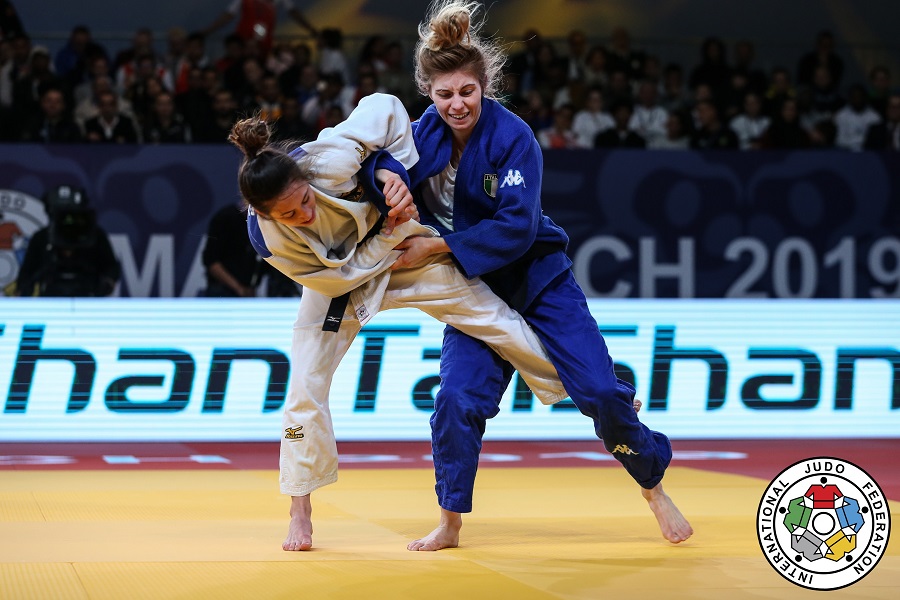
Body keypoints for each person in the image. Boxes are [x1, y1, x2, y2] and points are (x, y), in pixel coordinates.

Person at [389, 0, 692, 551]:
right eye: (444, 94)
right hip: (474, 292)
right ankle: (450, 522)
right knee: (455, 400)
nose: (457, 105)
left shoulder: (513, 137)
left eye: (467, 92)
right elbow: (374, 161)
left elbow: (516, 228)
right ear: (428, 93)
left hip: (538, 280)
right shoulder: (421, 135)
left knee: (598, 391)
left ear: (484, 86)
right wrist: (385, 178)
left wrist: (435, 247)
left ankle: (653, 487)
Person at [232, 92, 586, 551]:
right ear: (263, 214)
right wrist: (382, 239)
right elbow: (336, 279)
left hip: (403, 248)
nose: (304, 214)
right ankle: (300, 509)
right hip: (346, 278)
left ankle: (587, 387)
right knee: (304, 385)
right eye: (289, 214)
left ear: (306, 178)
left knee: (490, 315)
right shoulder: (269, 239)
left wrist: (390, 172)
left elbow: (385, 106)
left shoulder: (329, 158)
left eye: (304, 199)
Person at [204, 0, 316, 58]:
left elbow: (293, 12)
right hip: (243, 38)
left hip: (263, 41)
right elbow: (229, 14)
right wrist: (207, 31)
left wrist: (311, 30)